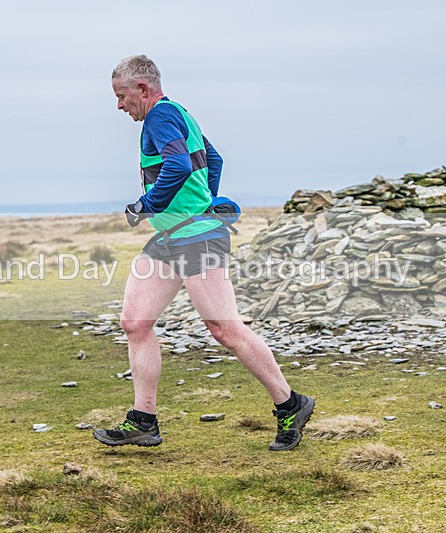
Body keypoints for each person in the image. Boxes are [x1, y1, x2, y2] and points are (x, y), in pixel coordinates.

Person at [93, 55, 315, 451]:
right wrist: (203, 201)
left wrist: (148, 204)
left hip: (198, 239)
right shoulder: (179, 114)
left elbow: (179, 165)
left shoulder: (160, 117)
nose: (119, 105)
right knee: (135, 322)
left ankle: (290, 404)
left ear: (142, 89)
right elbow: (214, 158)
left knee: (224, 328)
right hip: (171, 238)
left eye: (122, 96)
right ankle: (143, 421)